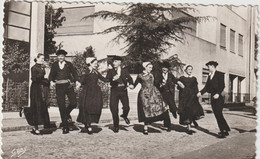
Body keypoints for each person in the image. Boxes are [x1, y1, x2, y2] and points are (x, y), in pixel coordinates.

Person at [132, 62, 171, 135]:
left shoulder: (152, 75)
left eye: (151, 67)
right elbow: (135, 84)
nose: (151, 69)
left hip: (154, 94)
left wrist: (161, 84)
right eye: (149, 67)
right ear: (145, 67)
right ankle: (145, 128)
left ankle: (166, 124)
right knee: (146, 110)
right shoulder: (140, 76)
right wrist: (130, 86)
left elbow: (156, 83)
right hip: (144, 95)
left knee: (160, 107)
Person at [49, 49, 81, 134]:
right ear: (57, 57)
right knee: (61, 105)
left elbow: (74, 73)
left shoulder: (69, 64)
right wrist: (51, 81)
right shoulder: (54, 65)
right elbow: (51, 75)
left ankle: (66, 113)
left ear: (64, 57)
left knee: (74, 103)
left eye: (62, 56)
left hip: (68, 85)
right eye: (59, 56)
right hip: (59, 86)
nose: (61, 57)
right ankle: (65, 126)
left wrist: (77, 81)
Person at [197, 61, 230, 138]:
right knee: (217, 114)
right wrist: (200, 93)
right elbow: (206, 87)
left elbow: (222, 85)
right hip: (212, 97)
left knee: (218, 113)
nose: (208, 68)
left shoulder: (220, 74)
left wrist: (218, 93)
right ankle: (225, 129)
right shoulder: (210, 76)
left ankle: (223, 131)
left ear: (212, 66)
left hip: (219, 97)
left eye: (208, 66)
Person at [77, 57, 108, 134]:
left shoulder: (96, 72)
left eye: (96, 64)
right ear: (90, 63)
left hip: (95, 92)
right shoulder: (86, 72)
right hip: (87, 92)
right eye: (95, 63)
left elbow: (104, 79)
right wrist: (80, 83)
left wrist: (112, 78)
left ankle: (89, 123)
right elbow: (82, 81)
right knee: (86, 107)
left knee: (94, 107)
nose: (96, 65)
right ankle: (88, 124)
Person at [106, 56, 134, 133]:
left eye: (115, 61)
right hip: (114, 91)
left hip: (123, 91)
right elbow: (107, 79)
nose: (113, 63)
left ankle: (124, 115)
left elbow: (130, 79)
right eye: (113, 62)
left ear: (119, 62)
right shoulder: (110, 71)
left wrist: (131, 84)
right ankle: (116, 125)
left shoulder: (125, 71)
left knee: (126, 107)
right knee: (113, 109)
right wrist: (112, 79)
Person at [178, 65, 204, 134]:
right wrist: (180, 85)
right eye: (188, 69)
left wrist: (197, 94)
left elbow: (196, 87)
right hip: (184, 97)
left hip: (192, 96)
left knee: (192, 110)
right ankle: (188, 126)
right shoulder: (182, 78)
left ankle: (191, 122)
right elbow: (179, 88)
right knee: (186, 111)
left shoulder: (194, 78)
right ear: (185, 70)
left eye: (191, 69)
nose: (190, 70)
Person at [30, 53, 51, 135]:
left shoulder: (43, 68)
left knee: (42, 107)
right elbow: (34, 79)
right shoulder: (34, 68)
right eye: (41, 58)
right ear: (37, 58)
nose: (43, 60)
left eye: (43, 58)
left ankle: (43, 125)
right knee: (35, 107)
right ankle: (35, 127)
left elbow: (45, 80)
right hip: (36, 90)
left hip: (43, 89)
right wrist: (43, 74)